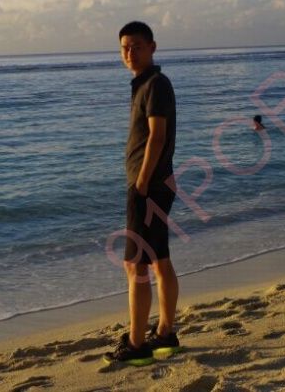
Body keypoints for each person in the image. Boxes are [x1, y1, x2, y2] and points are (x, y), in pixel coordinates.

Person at [104, 21, 181, 366]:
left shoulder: (155, 84)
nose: (129, 53)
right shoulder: (146, 84)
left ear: (152, 47)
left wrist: (142, 183)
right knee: (159, 260)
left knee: (135, 265)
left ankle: (136, 345)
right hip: (157, 184)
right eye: (124, 47)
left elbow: (157, 136)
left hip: (148, 186)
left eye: (136, 46)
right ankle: (165, 334)